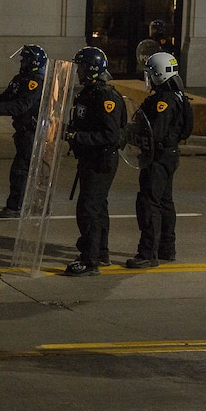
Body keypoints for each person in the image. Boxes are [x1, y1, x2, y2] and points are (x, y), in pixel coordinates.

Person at [125, 52, 193, 268]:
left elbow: (154, 132)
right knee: (165, 202)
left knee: (149, 203)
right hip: (170, 155)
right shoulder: (179, 96)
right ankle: (166, 247)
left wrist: (129, 135)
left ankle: (147, 253)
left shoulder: (163, 101)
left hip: (158, 157)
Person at [64, 46, 126, 276]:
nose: (78, 72)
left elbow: (111, 135)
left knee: (89, 209)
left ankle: (90, 262)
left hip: (101, 161)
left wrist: (77, 137)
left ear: (91, 69)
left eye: (80, 67)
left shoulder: (105, 96)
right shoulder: (89, 93)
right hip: (91, 159)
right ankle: (100, 252)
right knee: (97, 207)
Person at [0, 44, 47, 218]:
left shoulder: (35, 82)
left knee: (21, 171)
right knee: (25, 170)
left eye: (25, 59)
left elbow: (20, 106)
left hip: (32, 132)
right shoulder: (21, 79)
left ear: (33, 62)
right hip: (23, 132)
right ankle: (32, 205)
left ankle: (16, 207)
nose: (21, 61)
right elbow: (7, 97)